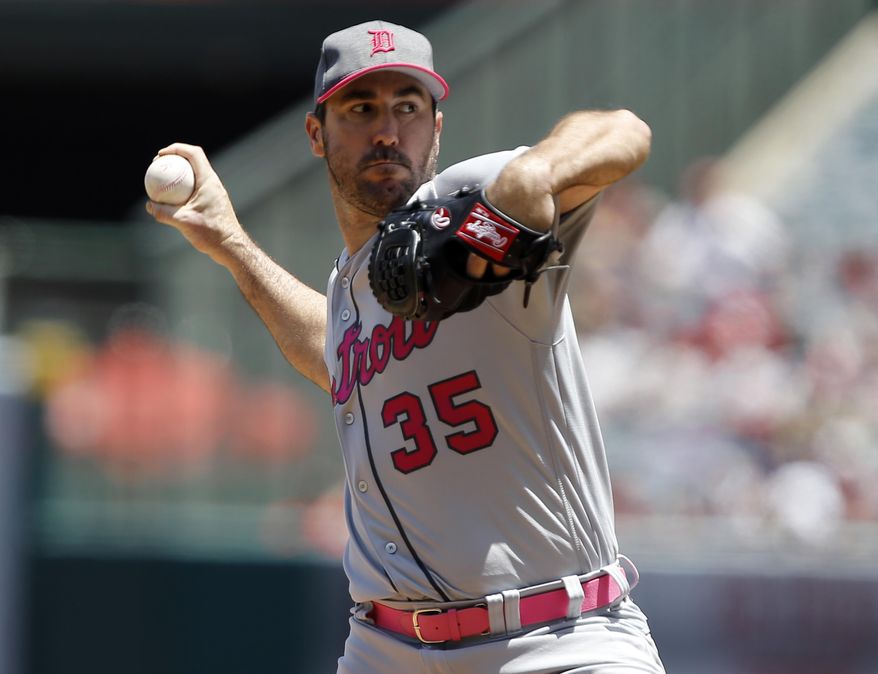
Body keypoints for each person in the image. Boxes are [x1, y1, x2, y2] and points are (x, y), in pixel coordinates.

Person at [146, 19, 664, 674]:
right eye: (362, 108)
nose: (388, 131)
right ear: (317, 133)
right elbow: (337, 357)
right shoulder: (353, 282)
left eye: (408, 107)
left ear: (437, 128)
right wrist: (231, 245)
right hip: (386, 650)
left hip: (557, 639)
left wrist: (530, 176)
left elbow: (622, 131)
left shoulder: (465, 198)